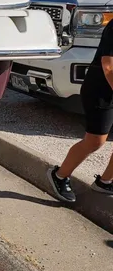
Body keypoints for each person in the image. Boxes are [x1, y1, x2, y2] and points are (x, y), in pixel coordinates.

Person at [48, 19, 113, 202]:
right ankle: (60, 175)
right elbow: (108, 66)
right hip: (100, 89)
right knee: (95, 141)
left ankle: (105, 181)